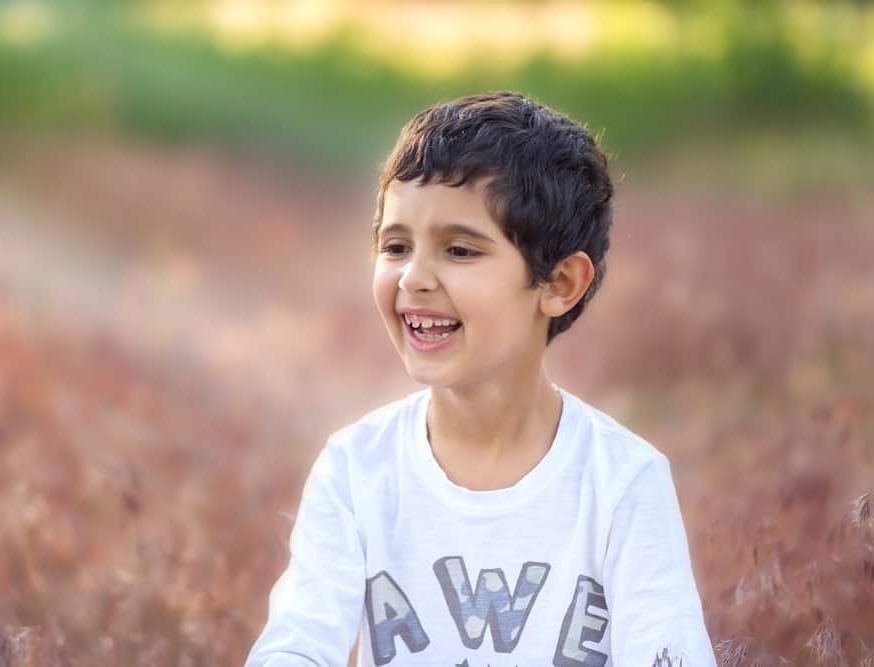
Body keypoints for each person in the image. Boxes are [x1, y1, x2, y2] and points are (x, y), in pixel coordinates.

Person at [245, 91, 716, 666]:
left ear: (560, 282)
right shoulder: (356, 470)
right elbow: (295, 648)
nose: (414, 277)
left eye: (460, 250)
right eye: (395, 246)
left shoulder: (622, 483)